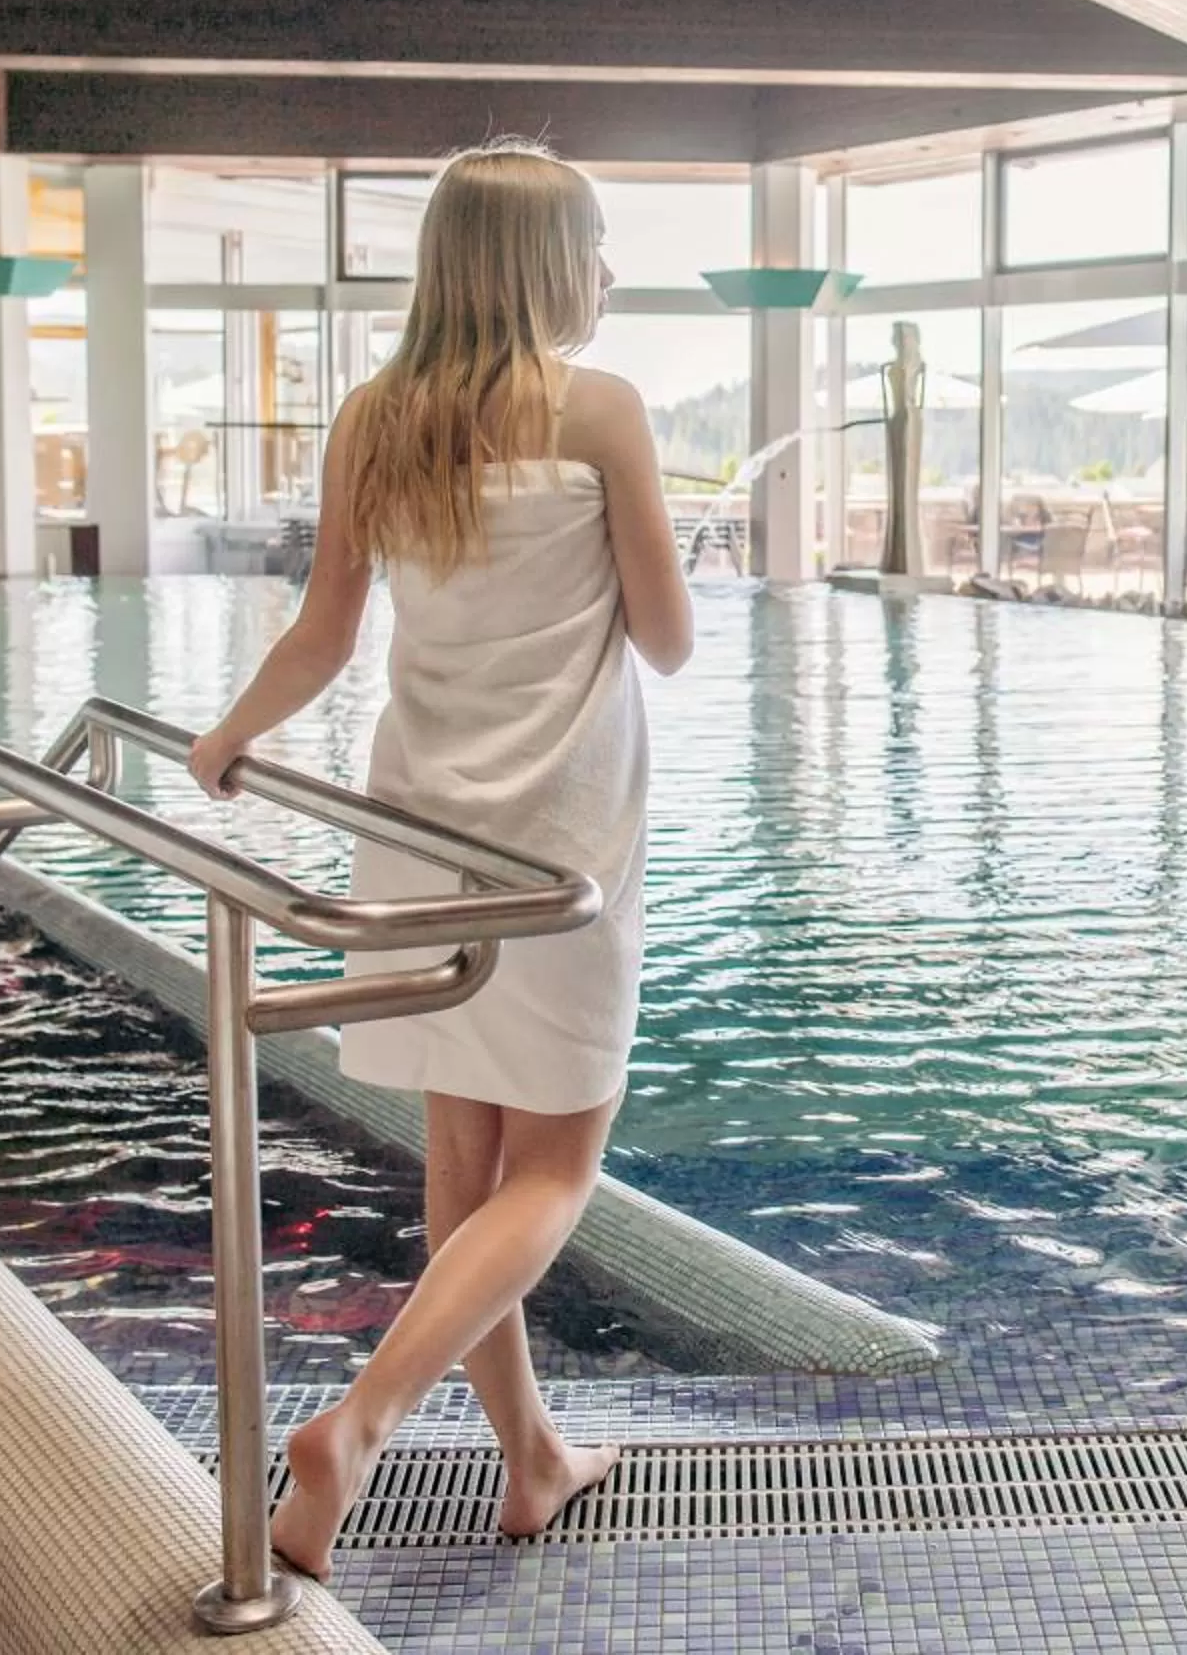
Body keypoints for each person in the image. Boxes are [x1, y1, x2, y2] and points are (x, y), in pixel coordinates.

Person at [185, 138, 693, 1582]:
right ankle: (359, 1423)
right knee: (553, 1173)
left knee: (463, 1178)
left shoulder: (373, 418)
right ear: (553, 266)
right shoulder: (602, 411)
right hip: (560, 849)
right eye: (598, 249)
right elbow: (666, 640)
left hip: (413, 832)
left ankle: (530, 1455)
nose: (610, 276)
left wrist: (228, 734)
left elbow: (324, 636)